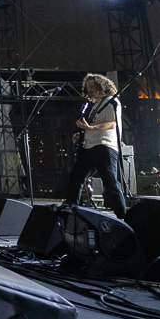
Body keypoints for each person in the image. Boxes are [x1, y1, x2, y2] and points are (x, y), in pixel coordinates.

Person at [63, 73, 127, 218]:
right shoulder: (96, 105)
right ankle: (71, 209)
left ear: (101, 85)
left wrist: (90, 129)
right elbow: (93, 125)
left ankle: (122, 214)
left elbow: (112, 123)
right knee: (76, 176)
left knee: (109, 180)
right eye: (87, 87)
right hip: (89, 146)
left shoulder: (111, 101)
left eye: (92, 86)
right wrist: (81, 134)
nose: (89, 89)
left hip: (104, 146)